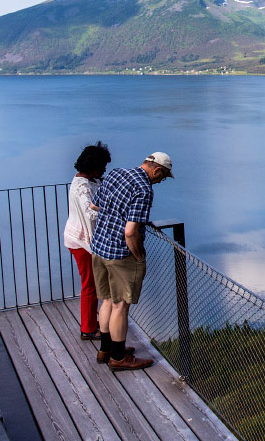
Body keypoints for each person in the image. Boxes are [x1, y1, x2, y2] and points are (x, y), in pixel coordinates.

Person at [91, 151, 174, 371]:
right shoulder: (143, 189)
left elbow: (94, 206)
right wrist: (138, 255)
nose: (161, 181)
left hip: (99, 248)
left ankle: (106, 349)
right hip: (120, 254)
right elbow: (130, 232)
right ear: (157, 170)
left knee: (107, 301)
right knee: (120, 306)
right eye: (163, 177)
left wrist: (113, 217)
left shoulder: (116, 173)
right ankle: (119, 358)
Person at [63, 141, 111, 340]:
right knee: (89, 285)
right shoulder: (83, 187)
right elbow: (90, 213)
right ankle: (88, 329)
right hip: (81, 242)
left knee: (91, 284)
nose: (105, 169)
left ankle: (91, 322)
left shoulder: (83, 180)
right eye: (102, 166)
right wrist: (111, 211)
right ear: (94, 166)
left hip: (76, 238)